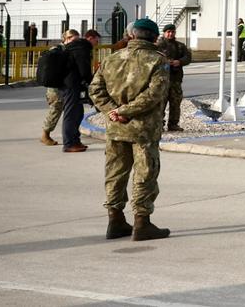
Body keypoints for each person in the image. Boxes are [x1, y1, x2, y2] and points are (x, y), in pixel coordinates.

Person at [87, 18, 172, 242]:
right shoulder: (158, 60)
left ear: (131, 35)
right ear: (155, 38)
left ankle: (114, 220)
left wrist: (113, 111)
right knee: (145, 173)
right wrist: (127, 111)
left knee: (115, 173)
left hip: (116, 128)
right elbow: (155, 94)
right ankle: (142, 223)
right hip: (143, 130)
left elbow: (95, 89)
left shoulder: (111, 59)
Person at [61, 29, 99, 152]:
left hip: (72, 83)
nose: (96, 44)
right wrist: (91, 81)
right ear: (90, 38)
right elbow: (84, 69)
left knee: (77, 113)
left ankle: (75, 141)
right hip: (71, 84)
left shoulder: (77, 47)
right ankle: (69, 144)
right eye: (96, 41)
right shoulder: (82, 48)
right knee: (71, 114)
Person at [39, 29, 79, 146]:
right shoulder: (59, 50)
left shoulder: (64, 50)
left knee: (58, 109)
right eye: (73, 39)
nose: (75, 42)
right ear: (66, 39)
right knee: (56, 109)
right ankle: (45, 135)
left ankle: (47, 134)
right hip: (55, 87)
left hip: (59, 85)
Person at [156, 24, 192, 131]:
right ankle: (159, 124)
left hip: (175, 79)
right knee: (160, 104)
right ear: (164, 33)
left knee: (175, 103)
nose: (170, 34)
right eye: (168, 32)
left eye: (172, 32)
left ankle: (173, 124)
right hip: (161, 79)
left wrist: (179, 62)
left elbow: (188, 57)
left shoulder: (180, 46)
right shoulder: (158, 45)